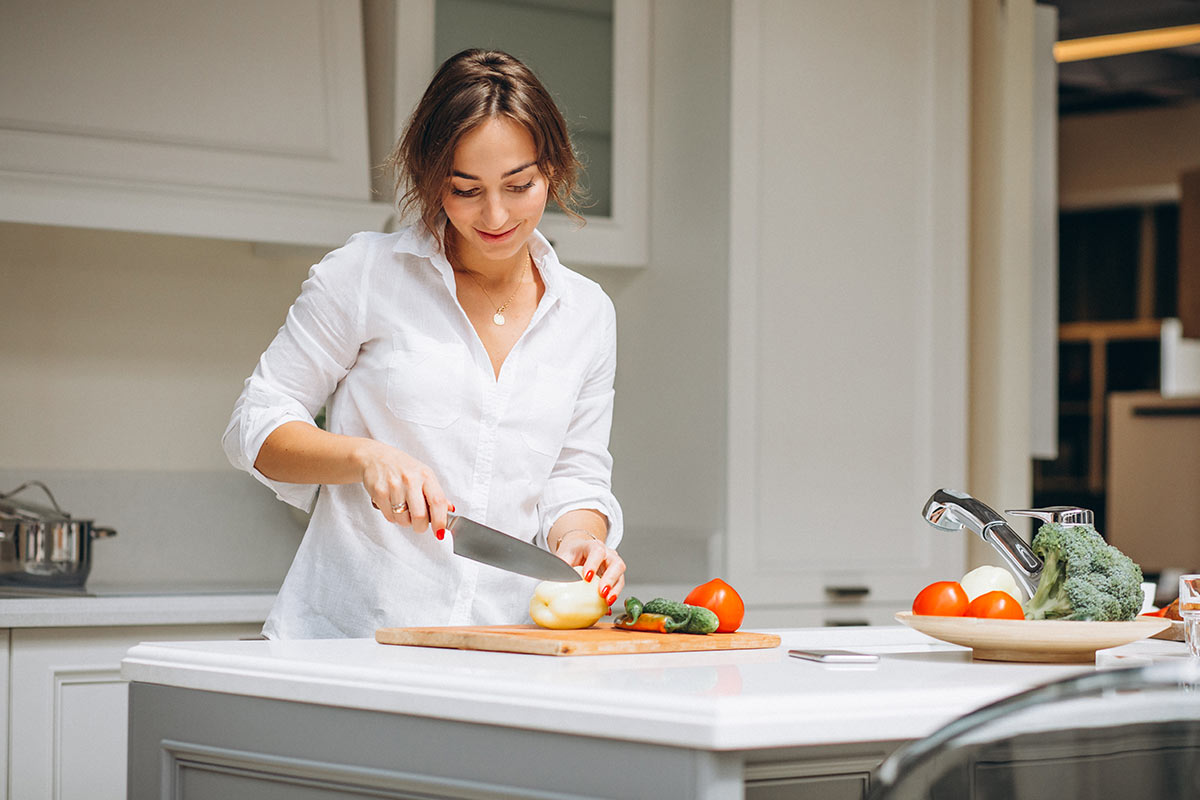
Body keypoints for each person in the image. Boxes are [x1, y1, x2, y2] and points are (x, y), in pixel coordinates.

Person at [223, 49, 625, 639]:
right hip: (351, 641)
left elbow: (575, 475)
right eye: (466, 190)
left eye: (519, 186)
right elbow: (253, 426)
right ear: (432, 179)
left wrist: (582, 540)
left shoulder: (586, 313)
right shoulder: (364, 274)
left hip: (503, 649)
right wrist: (365, 456)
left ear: (554, 171)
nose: (495, 215)